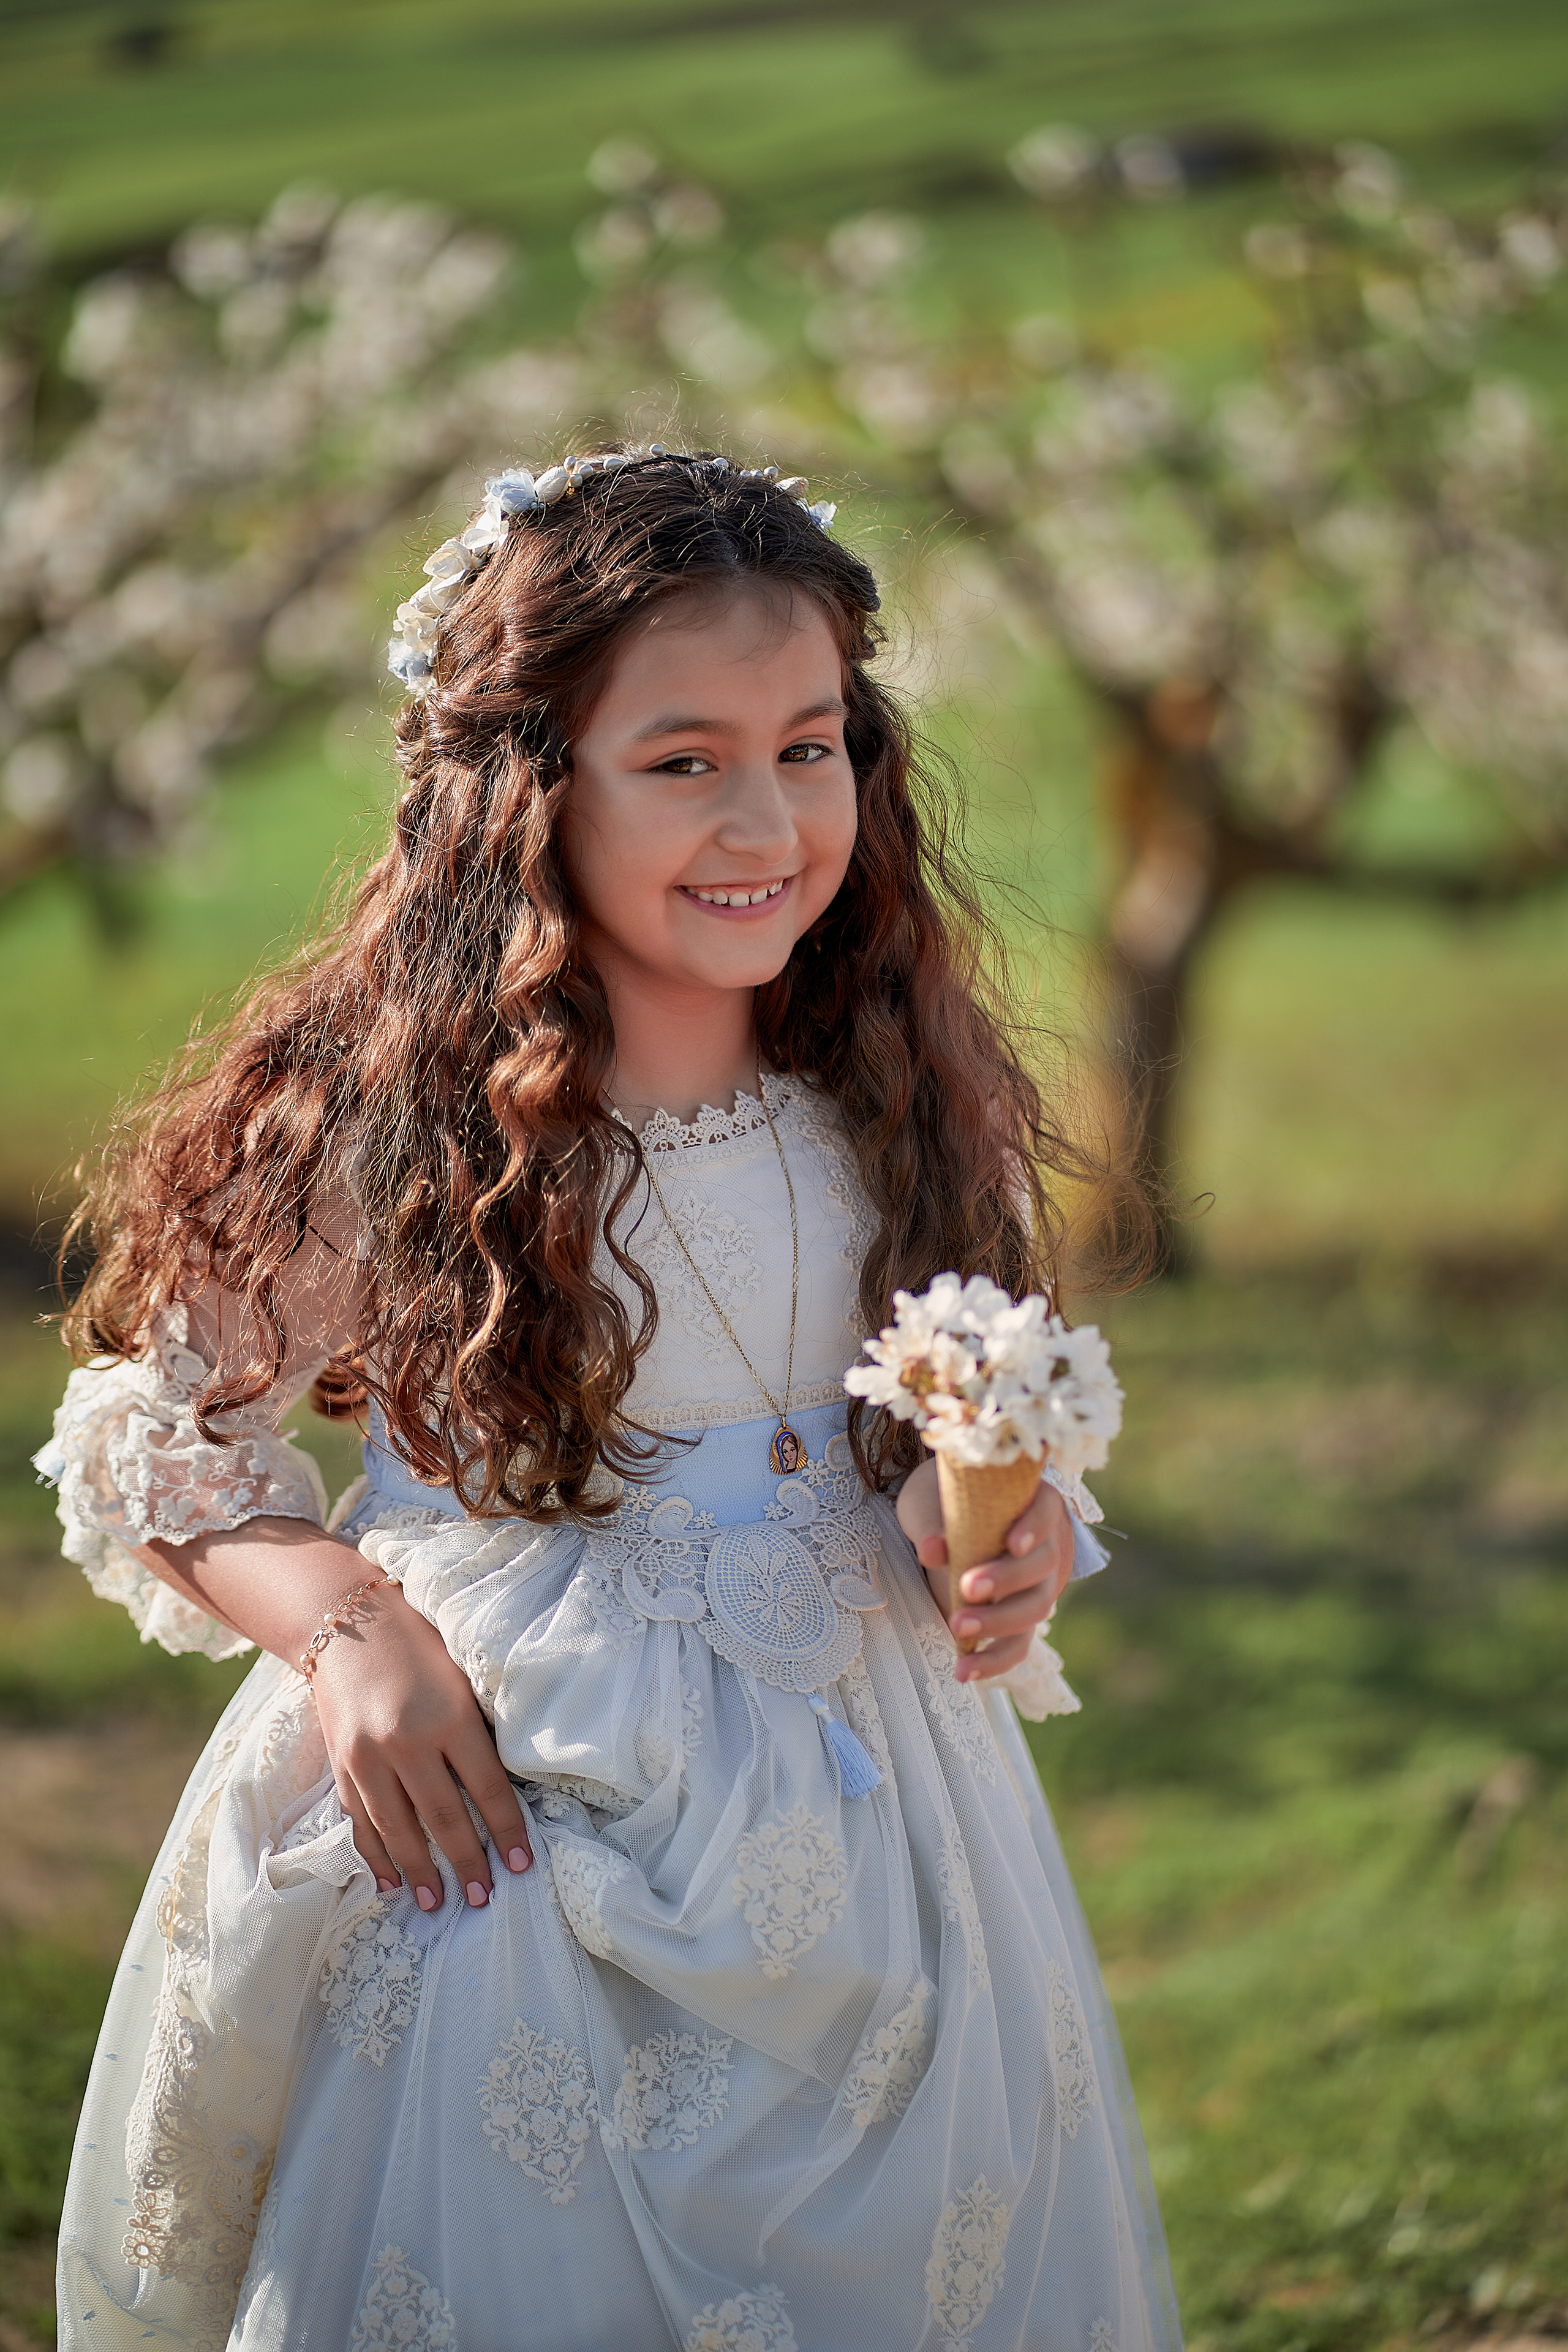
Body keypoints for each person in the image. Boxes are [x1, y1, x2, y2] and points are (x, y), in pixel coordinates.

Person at [39, 447, 1180, 2352]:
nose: (766, 817)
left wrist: (1001, 1524)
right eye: (684, 759)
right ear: (525, 786)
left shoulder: (884, 1092)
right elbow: (148, 1442)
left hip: (878, 1812)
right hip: (504, 1801)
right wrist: (343, 1632)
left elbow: (938, 1404)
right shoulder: (400, 1126)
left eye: (810, 746)